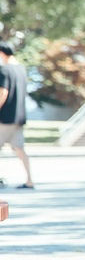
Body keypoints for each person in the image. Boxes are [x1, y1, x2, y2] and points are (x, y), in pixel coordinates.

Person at [0, 41, 34, 189]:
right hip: (19, 117)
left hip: (5, 118)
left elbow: (3, 92)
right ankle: (29, 180)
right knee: (19, 148)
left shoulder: (4, 70)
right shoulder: (21, 69)